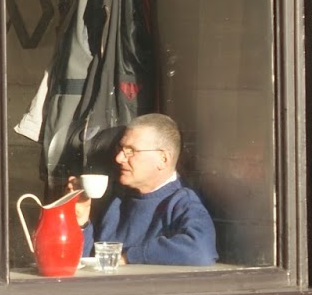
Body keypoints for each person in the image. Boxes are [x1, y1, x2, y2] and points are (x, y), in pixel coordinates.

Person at [71, 112, 217, 266]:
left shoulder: (183, 203)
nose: (119, 158)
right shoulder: (117, 199)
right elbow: (88, 261)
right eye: (120, 148)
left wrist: (129, 257)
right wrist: (81, 221)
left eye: (131, 151)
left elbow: (201, 251)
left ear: (163, 159)